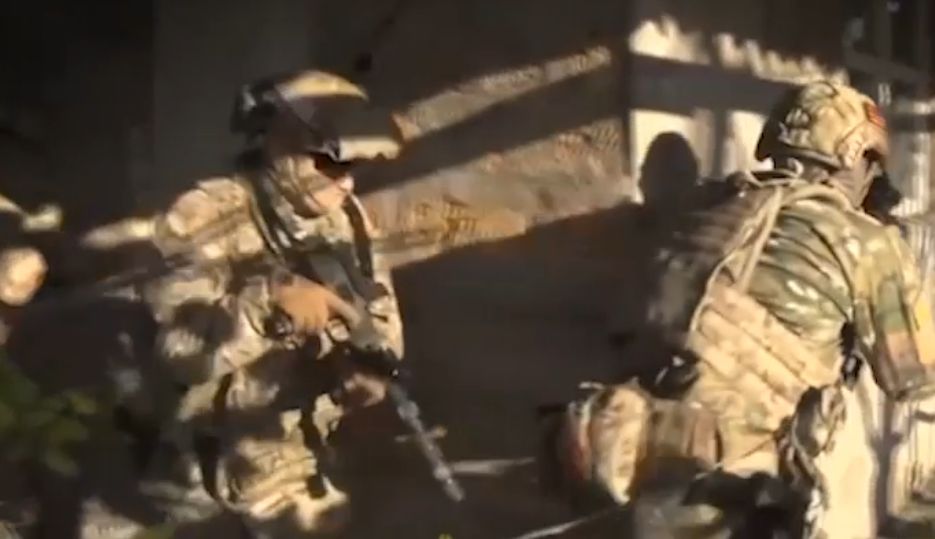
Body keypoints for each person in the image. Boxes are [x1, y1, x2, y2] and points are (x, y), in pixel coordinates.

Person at [539, 80, 935, 538]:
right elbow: (915, 378)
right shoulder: (866, 242)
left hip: (625, 440)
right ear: (853, 155)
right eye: (871, 163)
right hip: (729, 474)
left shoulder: (706, 205)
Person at [141, 70, 404, 537]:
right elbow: (179, 355)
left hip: (300, 446)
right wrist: (270, 307)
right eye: (328, 164)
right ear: (277, 145)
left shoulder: (347, 219)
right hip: (208, 463)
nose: (346, 183)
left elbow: (379, 312)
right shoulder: (204, 215)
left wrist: (368, 364)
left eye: (353, 168)